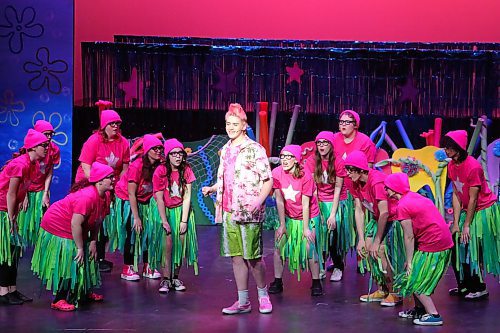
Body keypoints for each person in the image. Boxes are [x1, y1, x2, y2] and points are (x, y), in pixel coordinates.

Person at [202, 103, 273, 315]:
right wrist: (213, 188)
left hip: (249, 210)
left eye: (235, 124)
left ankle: (263, 295)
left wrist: (257, 201)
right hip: (228, 209)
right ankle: (243, 301)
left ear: (244, 125)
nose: (230, 127)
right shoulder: (225, 150)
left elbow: (267, 181)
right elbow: (228, 179)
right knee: (236, 256)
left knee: (253, 257)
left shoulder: (255, 149)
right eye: (228, 124)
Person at [31, 162, 114, 311]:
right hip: (59, 224)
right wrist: (80, 247)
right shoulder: (87, 197)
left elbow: (98, 220)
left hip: (75, 225)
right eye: (110, 177)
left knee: (88, 255)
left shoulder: (105, 196)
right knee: (70, 260)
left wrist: (93, 241)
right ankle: (59, 299)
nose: (113, 180)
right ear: (100, 180)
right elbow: (75, 224)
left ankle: (82, 292)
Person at [385, 173, 453, 326]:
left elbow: (409, 236)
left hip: (434, 244)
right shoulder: (413, 197)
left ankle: (434, 315)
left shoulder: (402, 206)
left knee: (415, 281)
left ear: (394, 188)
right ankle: (419, 309)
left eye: (387, 187)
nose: (385, 190)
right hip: (436, 241)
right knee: (412, 276)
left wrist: (409, 262)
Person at [443, 130, 499, 300]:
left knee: (470, 248)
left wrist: (467, 225)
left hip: (481, 210)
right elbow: (456, 193)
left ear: (458, 148)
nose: (446, 150)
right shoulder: (451, 165)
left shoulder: (473, 166)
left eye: (449, 147)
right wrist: (455, 223)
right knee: (455, 246)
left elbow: (474, 198)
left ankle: (479, 287)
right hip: (466, 210)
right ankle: (464, 285)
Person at [344, 150, 402, 307]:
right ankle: (382, 289)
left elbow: (385, 212)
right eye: (347, 170)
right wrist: (361, 239)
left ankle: (395, 293)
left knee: (381, 251)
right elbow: (359, 209)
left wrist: (377, 240)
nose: (348, 174)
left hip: (394, 218)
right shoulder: (352, 182)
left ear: (361, 169)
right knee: (367, 250)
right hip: (378, 218)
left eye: (351, 170)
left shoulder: (376, 181)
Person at [75, 109, 130, 272]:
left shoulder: (123, 142)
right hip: (90, 183)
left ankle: (99, 257)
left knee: (103, 220)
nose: (115, 126)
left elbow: (125, 167)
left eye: (118, 124)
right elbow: (86, 164)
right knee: (89, 219)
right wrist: (94, 186)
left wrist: (117, 186)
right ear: (104, 125)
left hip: (109, 185)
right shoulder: (94, 140)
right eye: (112, 123)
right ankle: (84, 253)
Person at [0, 129, 49, 305]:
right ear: (33, 147)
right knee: (6, 251)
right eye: (43, 145)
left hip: (11, 211)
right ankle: (3, 291)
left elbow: (22, 191)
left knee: (13, 251)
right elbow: (11, 194)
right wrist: (12, 217)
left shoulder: (33, 165)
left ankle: (11, 288)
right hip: (3, 211)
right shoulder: (19, 164)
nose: (47, 148)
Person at [269, 145, 323, 296]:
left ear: (297, 159)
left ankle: (316, 281)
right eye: (283, 156)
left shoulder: (305, 176)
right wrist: (282, 225)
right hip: (288, 216)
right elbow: (279, 200)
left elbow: (305, 204)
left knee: (309, 248)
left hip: (308, 216)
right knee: (279, 246)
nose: (285, 160)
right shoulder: (277, 173)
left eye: (289, 156)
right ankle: (278, 281)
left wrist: (306, 229)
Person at [303, 131, 352, 282]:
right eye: (319, 143)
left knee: (333, 234)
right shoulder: (312, 160)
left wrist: (332, 214)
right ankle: (321, 266)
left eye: (325, 143)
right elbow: (313, 188)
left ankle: (338, 265)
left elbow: (338, 189)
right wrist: (319, 211)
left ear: (331, 145)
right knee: (320, 233)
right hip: (319, 200)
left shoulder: (337, 161)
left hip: (337, 200)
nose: (322, 146)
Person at [113, 134, 163, 281]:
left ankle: (148, 266)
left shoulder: (160, 164)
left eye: (160, 148)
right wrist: (136, 217)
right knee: (132, 233)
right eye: (155, 148)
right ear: (147, 150)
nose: (159, 151)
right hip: (128, 200)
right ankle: (127, 267)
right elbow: (131, 193)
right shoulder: (137, 166)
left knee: (150, 233)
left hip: (146, 200)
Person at [153, 138, 199, 293]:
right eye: (173, 154)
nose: (178, 156)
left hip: (181, 211)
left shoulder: (186, 169)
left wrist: (184, 221)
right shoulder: (160, 171)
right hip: (165, 210)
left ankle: (175, 277)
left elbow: (187, 197)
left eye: (180, 153)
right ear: (167, 155)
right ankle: (165, 279)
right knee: (167, 246)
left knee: (180, 245)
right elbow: (159, 197)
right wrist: (164, 220)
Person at [17, 120, 60, 246]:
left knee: (41, 221)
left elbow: (49, 172)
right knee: (22, 221)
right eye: (46, 134)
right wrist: (24, 195)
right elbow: (23, 175)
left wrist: (45, 192)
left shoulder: (53, 150)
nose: (49, 137)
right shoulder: (29, 149)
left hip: (40, 190)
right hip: (26, 188)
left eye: (51, 134)